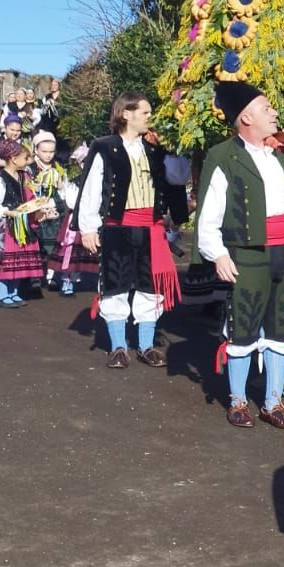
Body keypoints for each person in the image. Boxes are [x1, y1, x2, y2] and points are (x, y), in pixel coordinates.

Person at [195, 81, 284, 430]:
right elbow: (208, 212)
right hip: (246, 253)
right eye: (266, 107)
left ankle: (273, 401)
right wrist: (217, 254)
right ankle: (238, 400)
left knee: (280, 329)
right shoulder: (223, 155)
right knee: (242, 326)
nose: (275, 112)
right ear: (246, 117)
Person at [72, 92, 188, 369]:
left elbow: (179, 177)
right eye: (145, 112)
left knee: (150, 286)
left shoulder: (155, 149)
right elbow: (91, 187)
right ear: (126, 114)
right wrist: (87, 227)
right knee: (116, 284)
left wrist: (170, 148)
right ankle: (118, 346)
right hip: (117, 226)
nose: (150, 117)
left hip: (151, 227)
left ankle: (146, 345)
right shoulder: (104, 146)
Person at [0, 140, 43, 308]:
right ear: (14, 159)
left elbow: (29, 197)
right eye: (25, 157)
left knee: (18, 259)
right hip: (6, 225)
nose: (28, 160)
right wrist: (8, 212)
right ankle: (2, 294)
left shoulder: (24, 176)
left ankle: (14, 292)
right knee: (6, 259)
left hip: (21, 223)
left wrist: (38, 207)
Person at [28, 130, 81, 296]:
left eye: (51, 152)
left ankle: (51, 276)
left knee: (53, 244)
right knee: (35, 244)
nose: (48, 155)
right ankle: (34, 277)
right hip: (35, 207)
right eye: (44, 151)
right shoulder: (30, 168)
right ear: (36, 150)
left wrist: (60, 191)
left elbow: (65, 189)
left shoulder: (58, 168)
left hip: (55, 208)